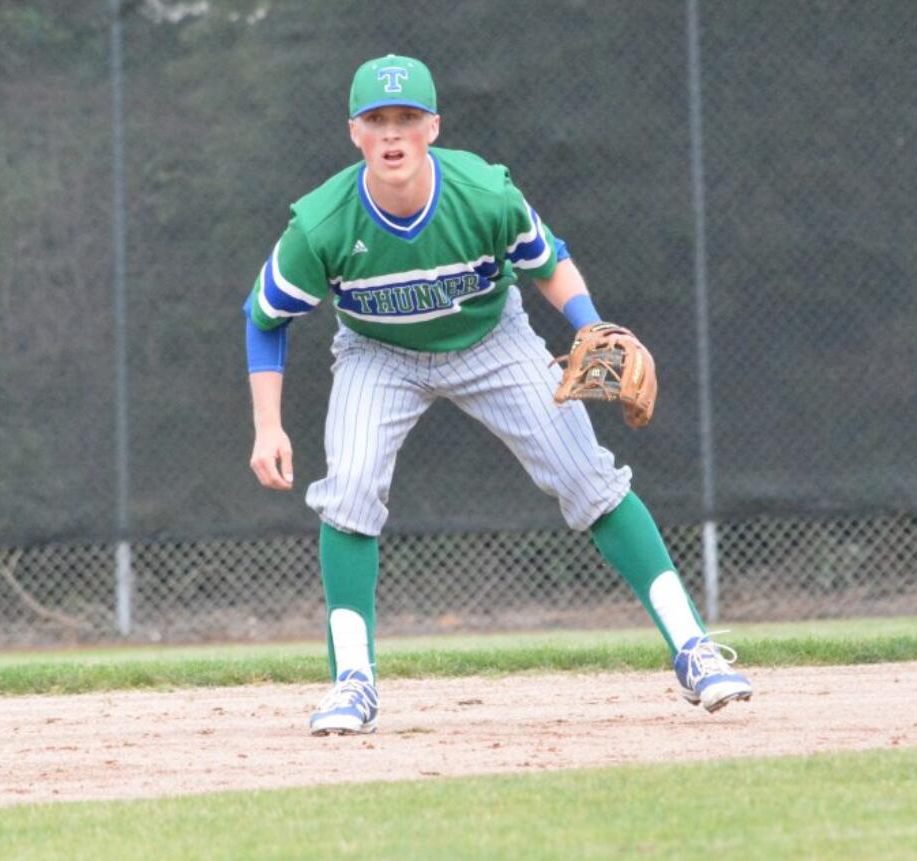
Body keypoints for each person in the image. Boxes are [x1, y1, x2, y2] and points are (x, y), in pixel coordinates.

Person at [244, 54, 752, 735]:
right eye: (376, 120)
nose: (392, 134)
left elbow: (549, 258)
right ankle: (352, 683)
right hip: (378, 354)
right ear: (354, 133)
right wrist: (268, 426)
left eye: (407, 118)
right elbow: (265, 317)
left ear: (434, 128)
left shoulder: (483, 193)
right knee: (352, 488)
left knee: (588, 478)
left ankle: (694, 649)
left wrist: (589, 326)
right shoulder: (323, 224)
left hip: (493, 339)